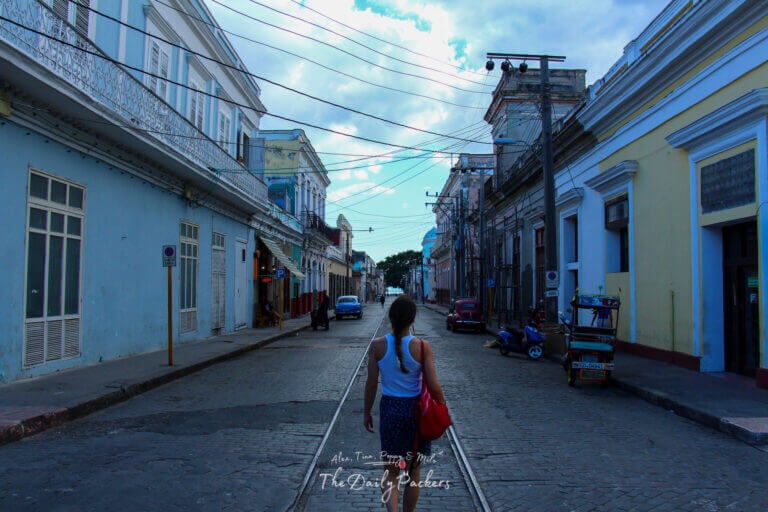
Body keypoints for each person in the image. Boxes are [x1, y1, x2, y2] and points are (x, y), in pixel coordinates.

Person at [364, 296, 446, 512]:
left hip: (390, 410)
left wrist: (366, 412)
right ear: (413, 319)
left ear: (390, 318)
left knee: (390, 472)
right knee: (413, 472)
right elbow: (434, 385)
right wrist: (442, 407)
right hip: (415, 413)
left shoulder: (377, 346)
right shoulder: (423, 347)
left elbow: (371, 384)